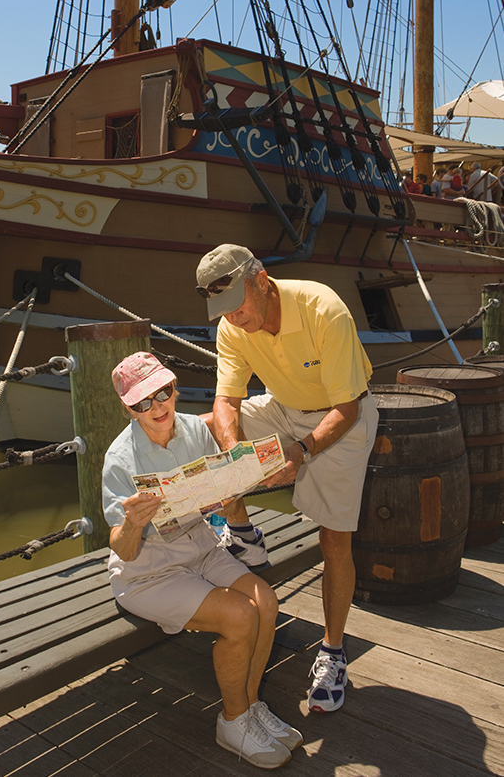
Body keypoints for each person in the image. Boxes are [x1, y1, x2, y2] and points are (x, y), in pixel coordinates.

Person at [195, 245, 379, 714]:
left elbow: (348, 407)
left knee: (335, 540)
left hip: (342, 417)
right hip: (283, 408)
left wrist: (301, 452)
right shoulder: (232, 326)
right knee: (201, 428)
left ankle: (334, 653)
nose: (233, 319)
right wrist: (236, 451)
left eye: (238, 307)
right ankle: (241, 531)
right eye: (224, 312)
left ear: (263, 283)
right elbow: (227, 402)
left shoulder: (323, 309)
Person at [102, 351, 301, 769]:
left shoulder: (195, 428)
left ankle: (249, 706)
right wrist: (133, 523)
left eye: (164, 393)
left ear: (174, 388)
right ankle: (232, 722)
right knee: (240, 616)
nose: (158, 407)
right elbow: (122, 548)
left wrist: (231, 496)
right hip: (147, 573)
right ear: (128, 407)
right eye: (143, 402)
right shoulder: (119, 459)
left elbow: (216, 502)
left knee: (265, 601)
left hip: (200, 546)